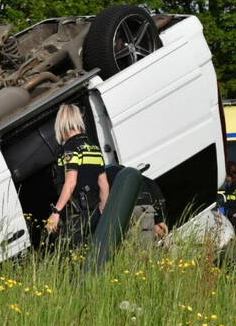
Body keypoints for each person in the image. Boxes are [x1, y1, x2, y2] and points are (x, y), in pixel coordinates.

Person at [47, 104, 110, 245]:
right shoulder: (93, 147)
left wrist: (56, 212)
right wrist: (103, 213)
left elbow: (70, 182)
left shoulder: (70, 148)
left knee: (71, 254)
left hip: (78, 213)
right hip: (96, 210)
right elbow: (104, 184)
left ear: (61, 124)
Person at [104, 164, 169, 243]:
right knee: (145, 245)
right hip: (143, 204)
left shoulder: (103, 175)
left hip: (126, 206)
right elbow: (154, 188)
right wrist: (159, 219)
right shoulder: (131, 173)